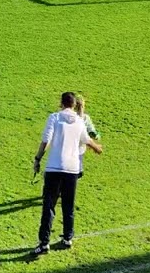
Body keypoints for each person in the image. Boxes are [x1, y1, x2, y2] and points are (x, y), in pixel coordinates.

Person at [33, 91, 102, 255]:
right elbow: (86, 140)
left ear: (61, 103)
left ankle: (44, 243)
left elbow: (46, 140)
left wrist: (37, 159)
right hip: (72, 169)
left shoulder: (54, 118)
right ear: (74, 104)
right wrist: (97, 148)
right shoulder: (79, 121)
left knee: (49, 206)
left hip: (54, 168)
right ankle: (67, 238)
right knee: (68, 205)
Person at [73, 93, 100, 176]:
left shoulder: (85, 118)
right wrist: (95, 136)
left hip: (77, 150)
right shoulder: (76, 118)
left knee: (76, 173)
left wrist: (94, 134)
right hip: (76, 150)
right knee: (75, 173)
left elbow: (92, 132)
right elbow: (94, 134)